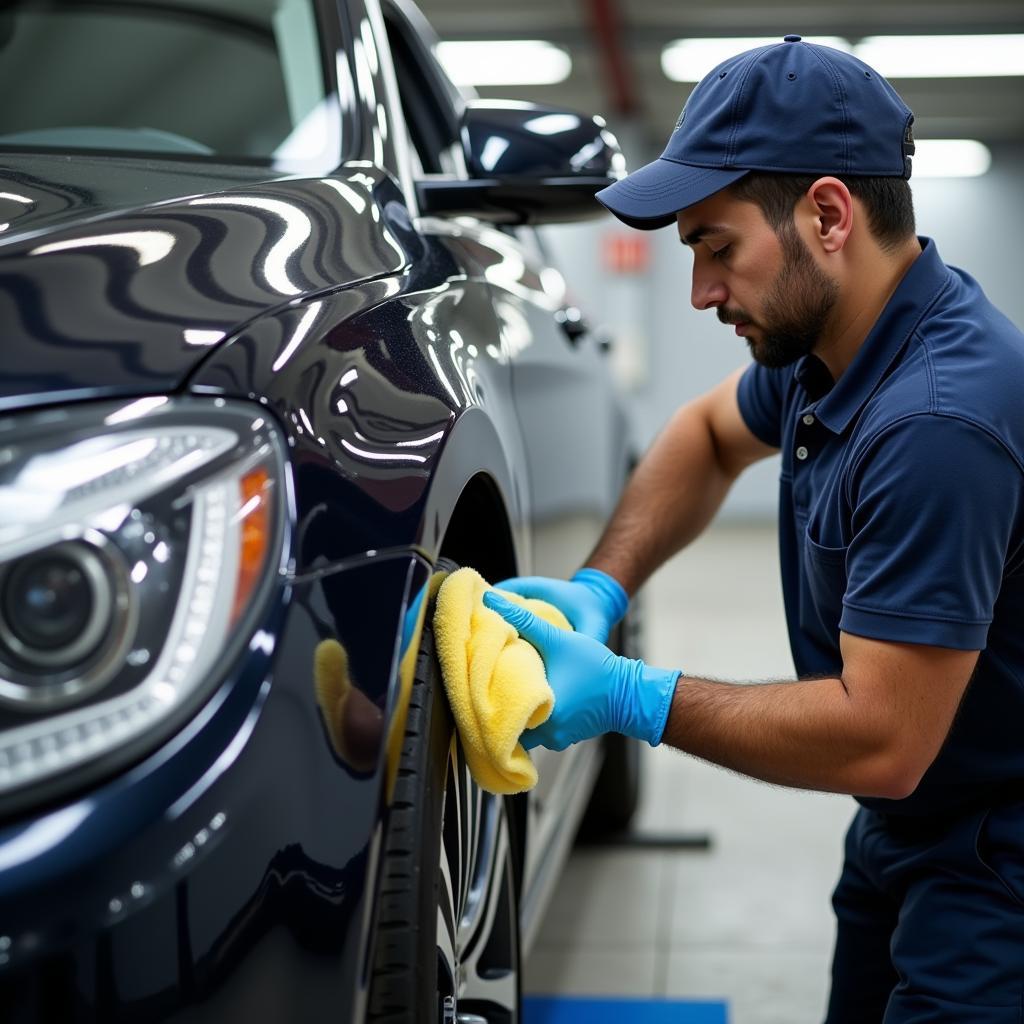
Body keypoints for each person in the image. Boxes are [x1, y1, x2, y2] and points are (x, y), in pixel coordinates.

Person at [483, 35, 1024, 1023]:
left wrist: (630, 698)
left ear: (826, 214)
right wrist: (602, 587)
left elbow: (880, 737)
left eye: (715, 247)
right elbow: (703, 434)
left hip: (995, 856)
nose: (698, 293)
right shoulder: (833, 349)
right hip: (909, 828)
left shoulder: (937, 422)